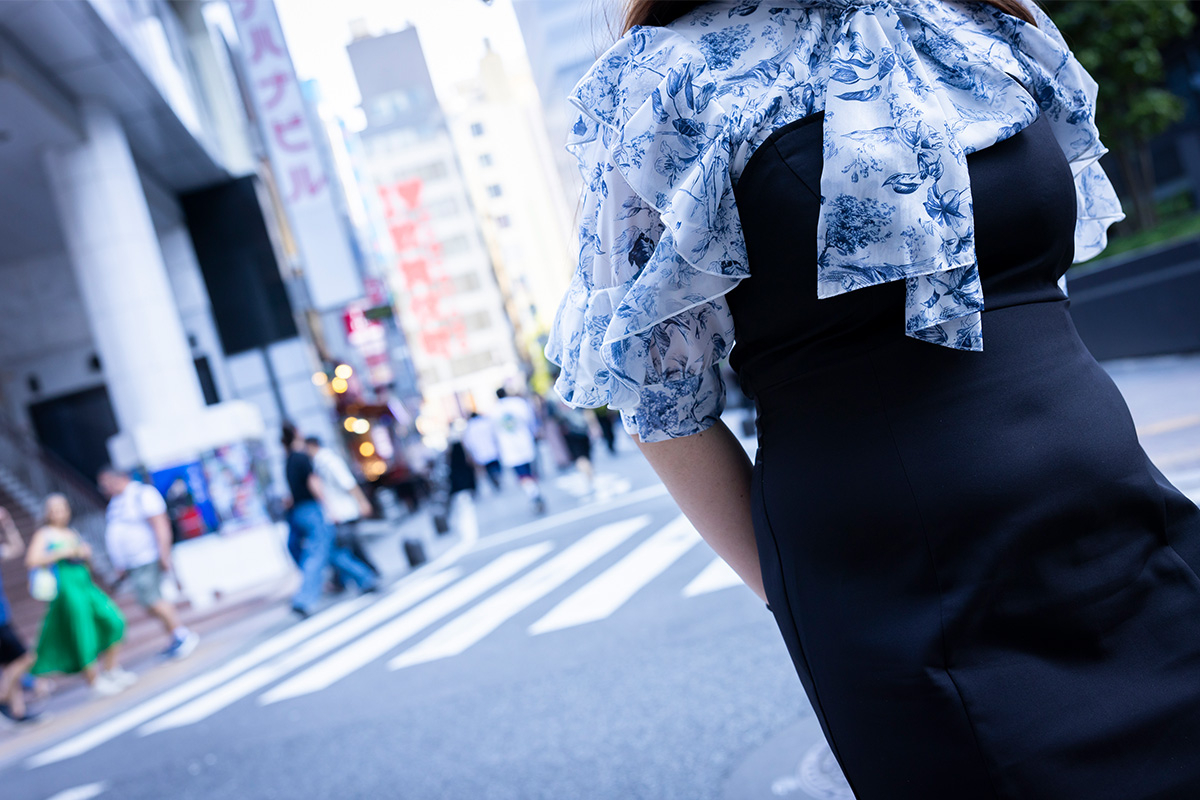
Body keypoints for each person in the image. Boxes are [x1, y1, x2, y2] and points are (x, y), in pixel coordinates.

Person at [546, 1, 1200, 797]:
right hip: (910, 611)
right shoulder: (665, 82)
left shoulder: (967, 17)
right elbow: (664, 405)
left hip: (1129, 532)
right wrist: (808, 601)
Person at [26, 495, 134, 697]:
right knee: (82, 632)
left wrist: (84, 553)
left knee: (114, 621)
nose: (59, 513)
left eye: (62, 508)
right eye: (55, 510)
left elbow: (85, 562)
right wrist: (61, 553)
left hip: (86, 585)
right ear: (48, 513)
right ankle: (94, 679)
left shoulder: (70, 532)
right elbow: (32, 560)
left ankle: (111, 669)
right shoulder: (45, 533)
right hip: (68, 590)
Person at [98, 467, 198, 660]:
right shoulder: (116, 503)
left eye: (107, 483)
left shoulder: (141, 494)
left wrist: (164, 554)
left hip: (147, 557)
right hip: (133, 563)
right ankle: (176, 635)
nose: (105, 488)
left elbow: (160, 524)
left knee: (152, 600)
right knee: (148, 601)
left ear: (120, 478)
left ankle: (182, 634)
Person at [283, 423, 377, 617]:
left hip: (300, 512)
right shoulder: (301, 458)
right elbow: (314, 484)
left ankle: (366, 579)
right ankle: (303, 600)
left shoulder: (289, 460)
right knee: (318, 554)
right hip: (312, 511)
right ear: (297, 434)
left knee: (331, 550)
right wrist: (328, 508)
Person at [304, 436, 381, 580]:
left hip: (344, 511)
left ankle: (370, 572)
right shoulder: (319, 463)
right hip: (340, 512)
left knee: (351, 545)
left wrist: (362, 502)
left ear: (312, 446)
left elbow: (348, 483)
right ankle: (369, 572)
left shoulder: (328, 461)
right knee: (351, 545)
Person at [0, 506, 38, 722]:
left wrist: (7, 525)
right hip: (0, 620)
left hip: (3, 615)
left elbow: (15, 548)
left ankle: (18, 712)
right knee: (25, 657)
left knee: (9, 662)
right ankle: (3, 695)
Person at [490, 388, 546, 514]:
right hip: (525, 441)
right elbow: (531, 420)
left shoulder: (494, 410)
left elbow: (494, 431)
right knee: (530, 470)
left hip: (509, 447)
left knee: (522, 474)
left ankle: (532, 492)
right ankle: (535, 491)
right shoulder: (518, 403)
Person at [461, 412, 502, 491]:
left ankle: (494, 478)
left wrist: (470, 455)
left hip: (480, 453)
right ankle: (497, 475)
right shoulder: (485, 423)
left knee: (488, 468)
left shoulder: (469, 428)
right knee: (495, 465)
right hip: (492, 449)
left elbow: (467, 444)